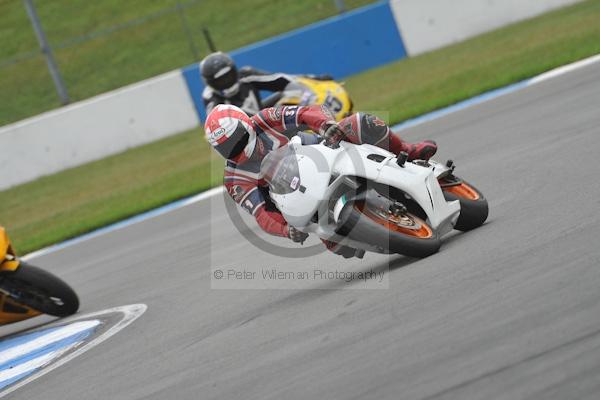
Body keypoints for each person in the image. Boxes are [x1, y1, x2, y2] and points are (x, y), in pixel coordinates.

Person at [204, 104, 437, 258]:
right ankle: (366, 227)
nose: (234, 148)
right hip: (300, 200)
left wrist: (324, 124)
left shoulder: (264, 119)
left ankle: (408, 150)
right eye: (226, 147)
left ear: (246, 125)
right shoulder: (233, 178)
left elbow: (306, 112)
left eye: (236, 140)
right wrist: (287, 230)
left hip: (321, 154)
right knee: (341, 248)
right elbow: (261, 214)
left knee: (359, 122)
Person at [200, 52, 333, 116]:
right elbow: (215, 125)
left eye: (228, 76)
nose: (227, 81)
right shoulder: (211, 99)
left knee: (287, 95)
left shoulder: (246, 75)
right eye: (221, 80)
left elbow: (279, 80)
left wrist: (314, 78)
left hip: (261, 120)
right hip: (243, 138)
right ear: (211, 83)